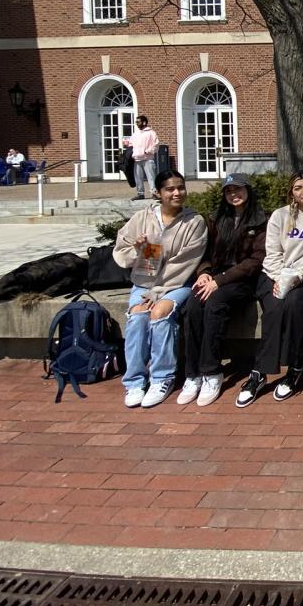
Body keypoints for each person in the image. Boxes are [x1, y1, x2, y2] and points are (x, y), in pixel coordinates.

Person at [237, 171, 303, 406]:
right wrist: (280, 279)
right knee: (273, 309)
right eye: (298, 188)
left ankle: (295, 368)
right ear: (291, 193)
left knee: (295, 305)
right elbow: (272, 253)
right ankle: (259, 372)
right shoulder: (280, 215)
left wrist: (297, 277)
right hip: (274, 275)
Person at [113, 169, 208, 409]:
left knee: (160, 312)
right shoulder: (142, 219)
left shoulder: (194, 222)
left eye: (180, 188)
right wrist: (139, 251)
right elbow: (122, 253)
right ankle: (134, 381)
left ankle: (162, 378)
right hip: (144, 282)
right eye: (170, 189)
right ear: (158, 193)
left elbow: (183, 264)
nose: (177, 193)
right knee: (137, 315)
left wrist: (157, 293)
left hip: (178, 284)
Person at [179, 173, 267, 408]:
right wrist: (204, 272)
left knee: (215, 304)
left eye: (238, 189)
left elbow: (256, 261)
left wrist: (220, 280)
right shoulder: (216, 219)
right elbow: (203, 253)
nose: (234, 194)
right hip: (214, 277)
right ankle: (193, 374)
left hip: (242, 280)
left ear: (248, 191)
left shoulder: (260, 220)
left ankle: (211, 371)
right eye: (229, 191)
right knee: (193, 305)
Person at [126, 115, 160, 200]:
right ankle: (140, 193)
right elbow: (131, 144)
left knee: (151, 177)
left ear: (144, 122)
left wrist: (148, 151)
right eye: (136, 122)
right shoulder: (135, 134)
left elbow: (156, 145)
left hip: (147, 158)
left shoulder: (151, 133)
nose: (137, 123)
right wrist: (128, 146)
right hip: (137, 159)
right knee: (138, 177)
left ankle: (154, 193)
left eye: (138, 122)